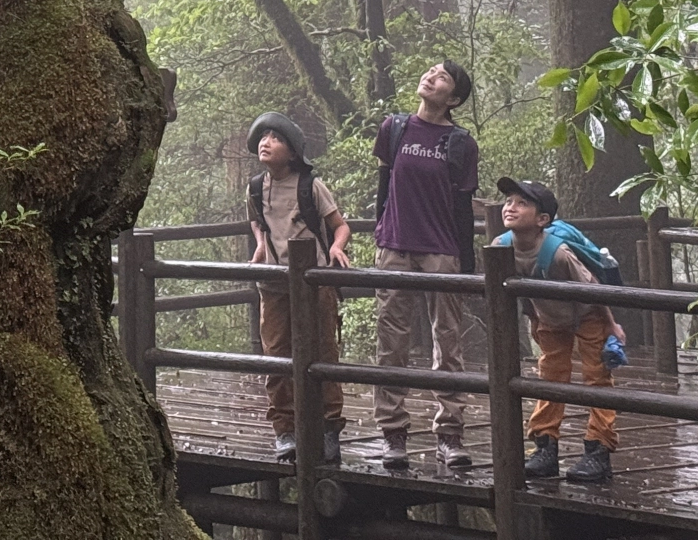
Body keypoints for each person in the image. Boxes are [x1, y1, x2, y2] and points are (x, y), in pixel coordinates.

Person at [370, 59, 479, 469]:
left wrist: (465, 261)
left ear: (453, 98)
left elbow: (463, 205)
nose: (430, 77)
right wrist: (381, 232)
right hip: (396, 244)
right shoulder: (394, 128)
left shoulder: (460, 143)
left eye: (442, 77)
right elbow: (384, 183)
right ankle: (393, 432)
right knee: (391, 341)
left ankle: (450, 433)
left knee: (447, 340)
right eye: (430, 72)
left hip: (441, 249)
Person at [497, 177, 623, 483]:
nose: (511, 207)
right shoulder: (500, 248)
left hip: (588, 313)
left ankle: (598, 449)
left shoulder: (558, 253)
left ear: (542, 220)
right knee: (550, 376)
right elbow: (516, 290)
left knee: (597, 376)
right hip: (549, 316)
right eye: (509, 201)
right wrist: (534, 319)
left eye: (522, 203)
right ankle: (545, 447)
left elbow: (592, 288)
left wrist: (611, 324)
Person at [246, 111, 351, 465]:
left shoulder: (310, 185)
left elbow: (340, 226)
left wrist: (336, 248)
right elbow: (257, 220)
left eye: (275, 138)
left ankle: (328, 427)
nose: (266, 142)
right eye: (263, 137)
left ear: (292, 152)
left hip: (314, 279)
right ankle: (285, 429)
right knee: (276, 352)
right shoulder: (256, 187)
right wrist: (261, 244)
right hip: (274, 281)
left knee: (323, 349)